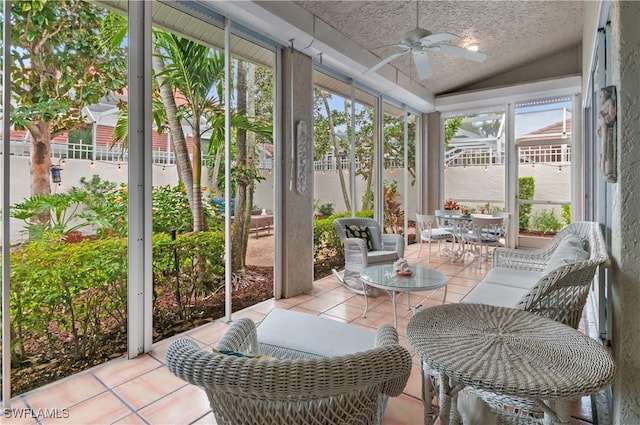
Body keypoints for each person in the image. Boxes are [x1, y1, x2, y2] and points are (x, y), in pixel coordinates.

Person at [597, 85, 617, 182]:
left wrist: (604, 120)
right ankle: (605, 170)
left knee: (608, 149)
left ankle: (609, 171)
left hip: (608, 131)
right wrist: (599, 130)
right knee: (603, 151)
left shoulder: (611, 102)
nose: (601, 98)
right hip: (603, 131)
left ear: (606, 94)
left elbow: (612, 116)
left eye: (601, 96)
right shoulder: (604, 105)